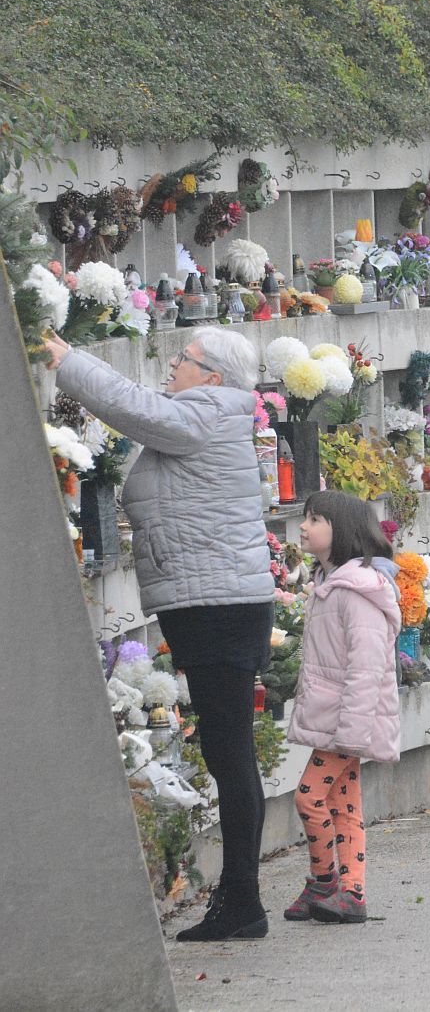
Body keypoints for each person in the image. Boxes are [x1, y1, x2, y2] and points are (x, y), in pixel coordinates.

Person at [44, 327, 276, 941]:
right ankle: (239, 896)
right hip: (216, 603)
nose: (172, 366)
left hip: (220, 607)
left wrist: (68, 360)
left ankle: (243, 902)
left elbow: (133, 407)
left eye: (184, 359)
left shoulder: (206, 412)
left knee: (230, 754)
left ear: (213, 376)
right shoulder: (211, 411)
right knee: (228, 752)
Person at [283, 490, 402, 925]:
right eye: (306, 517)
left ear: (343, 531)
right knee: (342, 805)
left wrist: (351, 735)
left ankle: (324, 882)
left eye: (315, 519)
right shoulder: (329, 585)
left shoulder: (356, 592)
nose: (303, 526)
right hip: (337, 720)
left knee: (309, 797)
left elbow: (367, 670)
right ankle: (351, 892)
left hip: (347, 723)